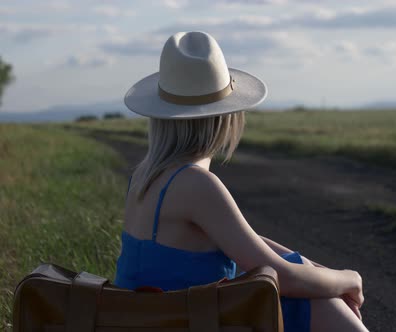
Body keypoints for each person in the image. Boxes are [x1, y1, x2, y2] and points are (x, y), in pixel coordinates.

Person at [113, 31, 369, 332]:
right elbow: (283, 278)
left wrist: (314, 268)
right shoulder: (196, 184)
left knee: (309, 285)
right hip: (189, 320)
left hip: (159, 316)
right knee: (314, 301)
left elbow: (243, 240)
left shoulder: (145, 175)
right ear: (225, 118)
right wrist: (349, 279)